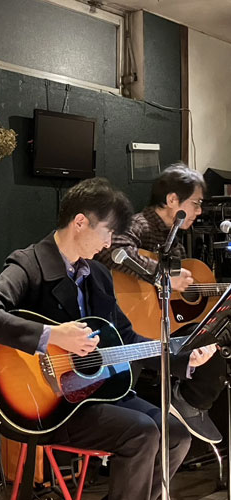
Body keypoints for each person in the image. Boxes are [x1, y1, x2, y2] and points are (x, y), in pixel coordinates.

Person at [0, 177, 214, 500]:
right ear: (80, 222)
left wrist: (181, 357)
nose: (110, 243)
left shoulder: (98, 275)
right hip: (54, 405)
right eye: (107, 232)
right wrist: (53, 335)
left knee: (177, 435)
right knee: (142, 433)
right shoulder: (29, 264)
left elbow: (127, 338)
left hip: (100, 393)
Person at [97, 164, 224, 444]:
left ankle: (187, 402)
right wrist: (162, 275)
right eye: (196, 203)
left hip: (162, 325)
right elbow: (112, 251)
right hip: (124, 326)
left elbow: (179, 299)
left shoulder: (174, 239)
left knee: (212, 344)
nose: (199, 211)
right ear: (172, 200)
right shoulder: (140, 223)